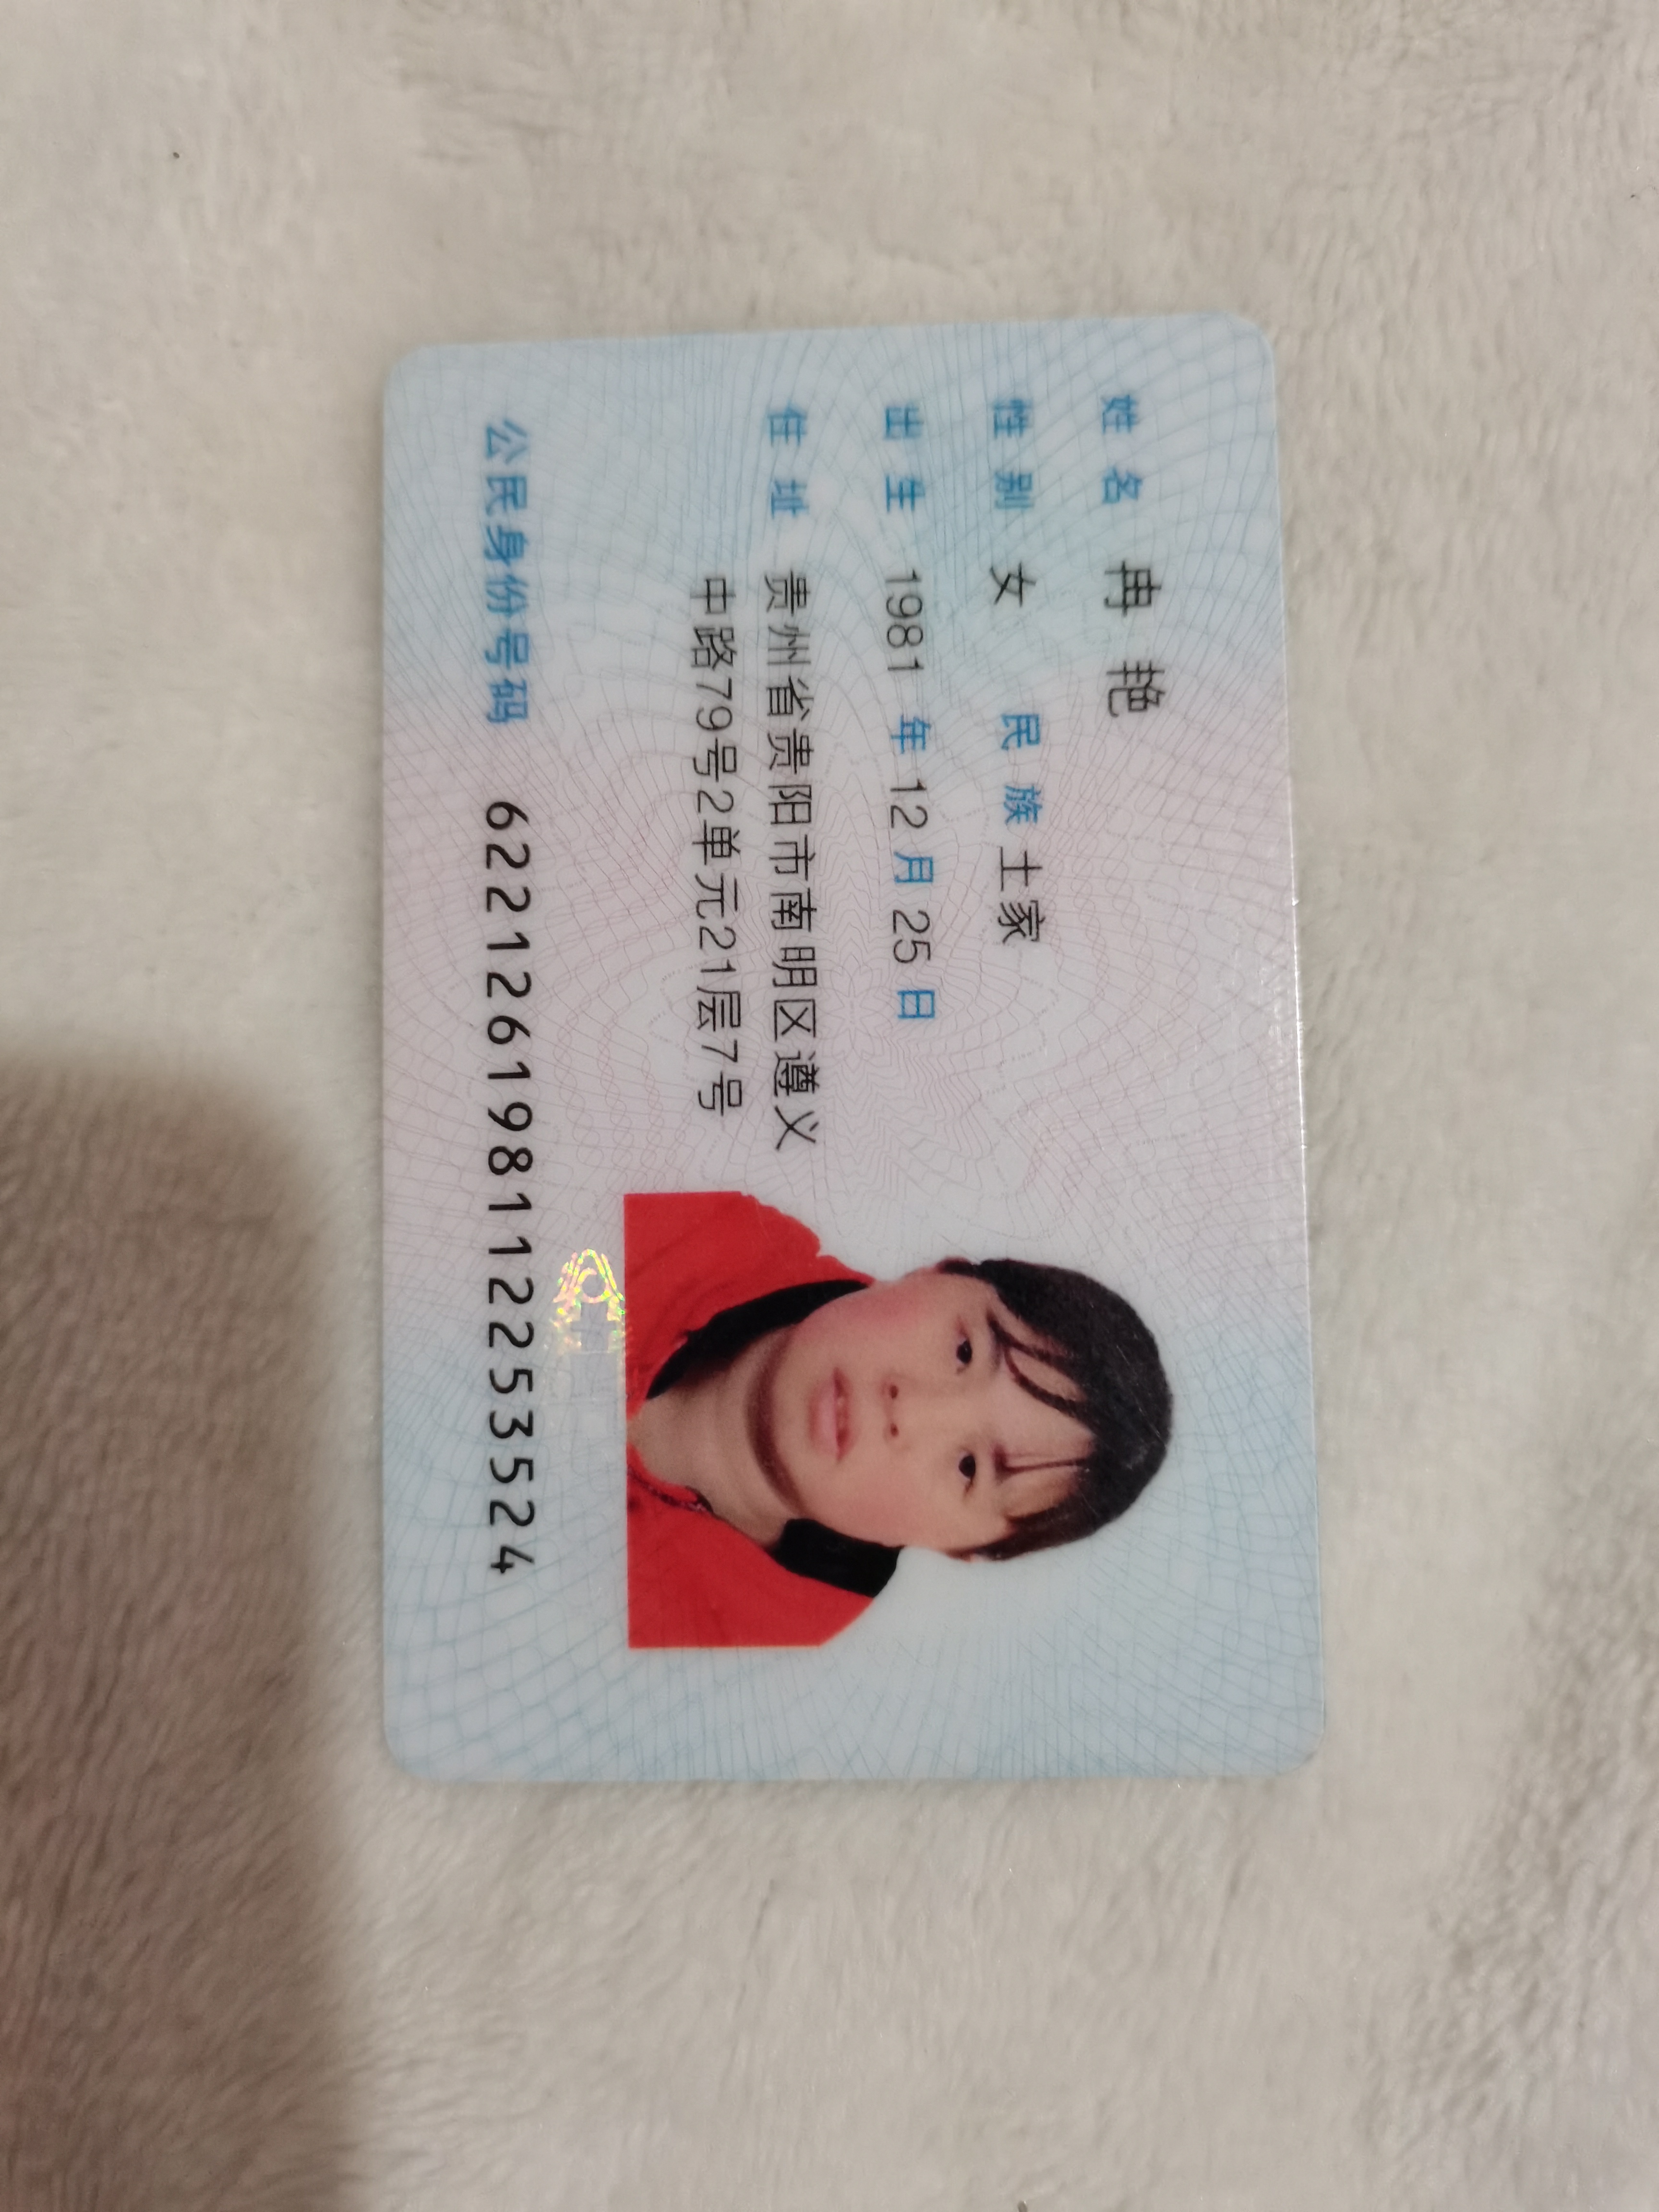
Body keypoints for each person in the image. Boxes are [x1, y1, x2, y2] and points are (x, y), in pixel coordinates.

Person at [625, 1190, 1172, 1648]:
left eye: (968, 1468)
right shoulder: (696, 1219)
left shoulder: (753, 1665)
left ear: (956, 1547)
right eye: (965, 1352)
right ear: (935, 1273)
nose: (909, 1410)